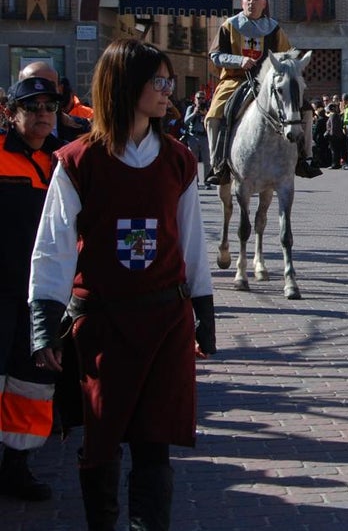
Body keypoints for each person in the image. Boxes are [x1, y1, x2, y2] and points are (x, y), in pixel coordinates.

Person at [28, 38, 216, 529]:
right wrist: (44, 322)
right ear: (125, 85)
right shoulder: (76, 162)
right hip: (104, 326)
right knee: (101, 441)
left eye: (169, 81)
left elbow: (191, 239)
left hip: (165, 322)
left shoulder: (178, 160)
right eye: (158, 81)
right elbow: (52, 248)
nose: (167, 91)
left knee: (155, 445)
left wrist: (203, 307)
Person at [0, 76, 64, 501]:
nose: (42, 114)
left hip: (37, 294)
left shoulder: (60, 162)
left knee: (30, 384)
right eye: (32, 106)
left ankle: (17, 467)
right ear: (10, 113)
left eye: (48, 106)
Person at [204, 0, 323, 185]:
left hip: (269, 81)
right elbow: (215, 55)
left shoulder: (274, 29)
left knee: (306, 109)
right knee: (213, 116)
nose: (251, 2)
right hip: (235, 80)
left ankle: (305, 158)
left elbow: (288, 54)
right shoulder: (229, 26)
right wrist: (238, 61)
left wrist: (289, 66)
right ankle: (219, 165)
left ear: (264, 3)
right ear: (242, 2)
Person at [17, 62, 89, 142]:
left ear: (60, 89)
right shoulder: (5, 137)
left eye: (50, 85)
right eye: (35, 85)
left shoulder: (82, 129)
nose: (43, 90)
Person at [182, 89, 210, 186]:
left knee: (207, 161)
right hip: (193, 136)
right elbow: (185, 121)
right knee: (193, 161)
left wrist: (206, 114)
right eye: (199, 98)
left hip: (204, 137)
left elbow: (212, 122)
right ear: (195, 99)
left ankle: (207, 181)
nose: (201, 100)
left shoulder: (208, 108)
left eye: (203, 98)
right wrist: (194, 113)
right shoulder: (191, 108)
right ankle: (195, 182)